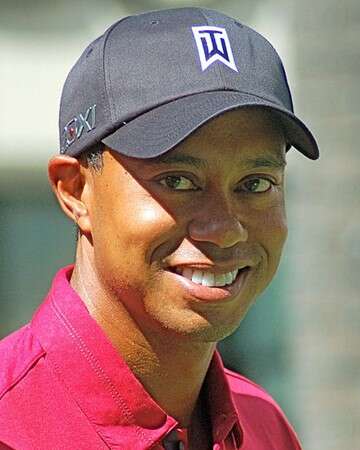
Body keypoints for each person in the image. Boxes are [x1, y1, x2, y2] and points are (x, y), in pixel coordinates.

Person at [0, 7, 319, 450]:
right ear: (76, 191)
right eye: (178, 181)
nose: (225, 230)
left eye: (255, 183)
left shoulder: (263, 422)